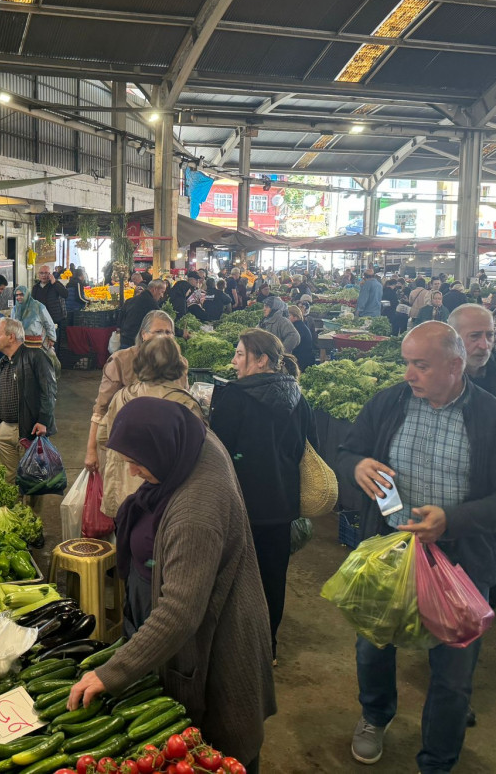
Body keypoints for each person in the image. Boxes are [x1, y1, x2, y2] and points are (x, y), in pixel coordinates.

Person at [337, 322, 496, 773]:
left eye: (420, 365)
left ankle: (438, 760)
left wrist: (452, 521)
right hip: (388, 552)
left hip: (459, 563)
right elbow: (347, 451)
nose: (408, 374)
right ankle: (374, 715)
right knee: (373, 645)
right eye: (407, 362)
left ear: (455, 366)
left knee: (453, 673)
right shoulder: (388, 403)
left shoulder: (494, 418)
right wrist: (357, 465)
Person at [66, 397, 275, 771]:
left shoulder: (196, 512)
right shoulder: (192, 439)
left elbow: (179, 612)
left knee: (224, 753)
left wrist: (110, 672)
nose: (131, 470)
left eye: (138, 461)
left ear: (164, 450)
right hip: (202, 620)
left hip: (220, 644)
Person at [211, 329, 316, 662]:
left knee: (235, 577)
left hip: (241, 504)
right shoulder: (298, 396)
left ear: (262, 360)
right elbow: (307, 448)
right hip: (282, 506)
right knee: (273, 576)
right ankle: (266, 647)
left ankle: (236, 647)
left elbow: (219, 452)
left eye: (240, 354)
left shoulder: (235, 397)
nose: (234, 361)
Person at [97, 335, 201, 520]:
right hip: (163, 501)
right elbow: (196, 454)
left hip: (123, 492)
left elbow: (103, 438)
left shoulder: (121, 396)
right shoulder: (185, 404)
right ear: (177, 364)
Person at [85, 311, 183, 476]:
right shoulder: (121, 360)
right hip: (125, 455)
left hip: (162, 455)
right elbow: (101, 408)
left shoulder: (180, 364)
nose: (164, 337)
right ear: (144, 334)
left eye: (168, 332)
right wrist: (91, 450)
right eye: (158, 332)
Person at [0, 317, 57, 479]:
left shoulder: (36, 357)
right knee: (9, 478)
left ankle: (30, 506)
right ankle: (14, 505)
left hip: (29, 429)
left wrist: (43, 420)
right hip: (5, 430)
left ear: (11, 337)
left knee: (34, 479)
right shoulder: (2, 364)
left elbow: (48, 391)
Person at [449, 304, 496, 412]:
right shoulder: (435, 384)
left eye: (490, 335)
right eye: (474, 336)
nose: (484, 346)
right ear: (453, 338)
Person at [117, 279, 166, 348]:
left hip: (124, 341)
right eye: (162, 292)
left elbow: (119, 322)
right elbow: (162, 322)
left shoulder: (130, 301)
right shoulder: (151, 304)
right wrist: (181, 333)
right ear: (155, 289)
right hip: (137, 344)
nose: (162, 296)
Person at [32, 265, 68, 345]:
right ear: (38, 275)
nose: (44, 275)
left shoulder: (56, 284)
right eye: (41, 273)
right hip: (42, 321)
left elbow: (65, 294)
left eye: (46, 273)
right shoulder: (35, 288)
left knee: (55, 344)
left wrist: (54, 282)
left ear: (50, 274)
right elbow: (33, 304)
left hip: (55, 320)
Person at [289, 304, 316, 370]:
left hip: (302, 362)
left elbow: (291, 345)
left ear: (295, 317)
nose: (286, 318)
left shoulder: (296, 328)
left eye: (289, 315)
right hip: (306, 359)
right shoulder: (301, 325)